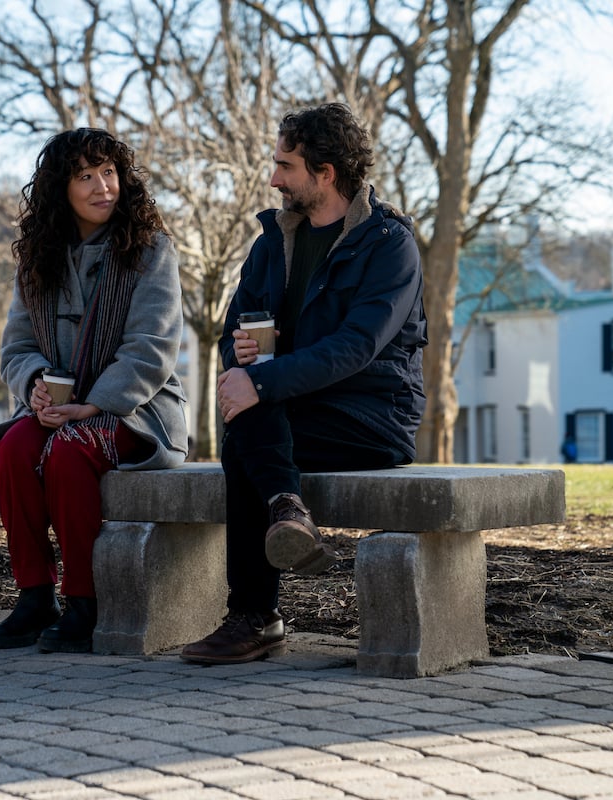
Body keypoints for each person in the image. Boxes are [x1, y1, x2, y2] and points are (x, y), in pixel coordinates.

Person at [180, 102, 427, 665]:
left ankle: (255, 616)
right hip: (293, 409)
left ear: (325, 173)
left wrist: (262, 382)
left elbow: (356, 347)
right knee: (247, 411)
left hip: (372, 416)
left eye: (285, 165)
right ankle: (288, 510)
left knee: (246, 421)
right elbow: (229, 333)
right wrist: (240, 353)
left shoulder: (389, 244)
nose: (273, 178)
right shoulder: (272, 242)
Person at [0, 128, 188, 653]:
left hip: (139, 410)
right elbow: (17, 345)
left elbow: (152, 346)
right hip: (61, 411)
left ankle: (84, 602)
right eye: (85, 176)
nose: (103, 186)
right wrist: (35, 390)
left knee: (72, 450)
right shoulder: (38, 259)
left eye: (110, 172)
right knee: (14, 448)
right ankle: (33, 596)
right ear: (61, 190)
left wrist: (94, 404)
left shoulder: (151, 250)